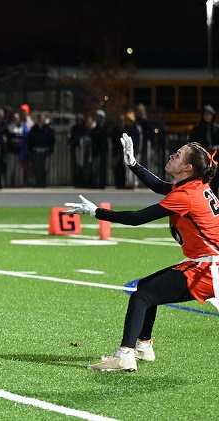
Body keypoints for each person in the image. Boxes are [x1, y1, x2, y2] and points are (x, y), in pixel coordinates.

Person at [64, 134, 219, 372]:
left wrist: (97, 213)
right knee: (145, 288)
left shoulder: (187, 195)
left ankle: (124, 355)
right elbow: (160, 187)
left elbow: (137, 218)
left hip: (208, 268)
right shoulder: (195, 186)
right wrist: (133, 164)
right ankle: (143, 346)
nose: (172, 155)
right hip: (207, 263)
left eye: (177, 155)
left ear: (188, 168)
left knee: (143, 297)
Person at [27, 111, 55, 187]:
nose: (41, 120)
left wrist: (51, 149)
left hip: (45, 150)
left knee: (45, 167)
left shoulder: (48, 129)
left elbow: (52, 140)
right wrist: (30, 149)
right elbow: (30, 139)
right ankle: (38, 182)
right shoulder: (34, 128)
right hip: (36, 150)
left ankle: (43, 183)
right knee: (37, 167)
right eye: (40, 118)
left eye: (43, 118)